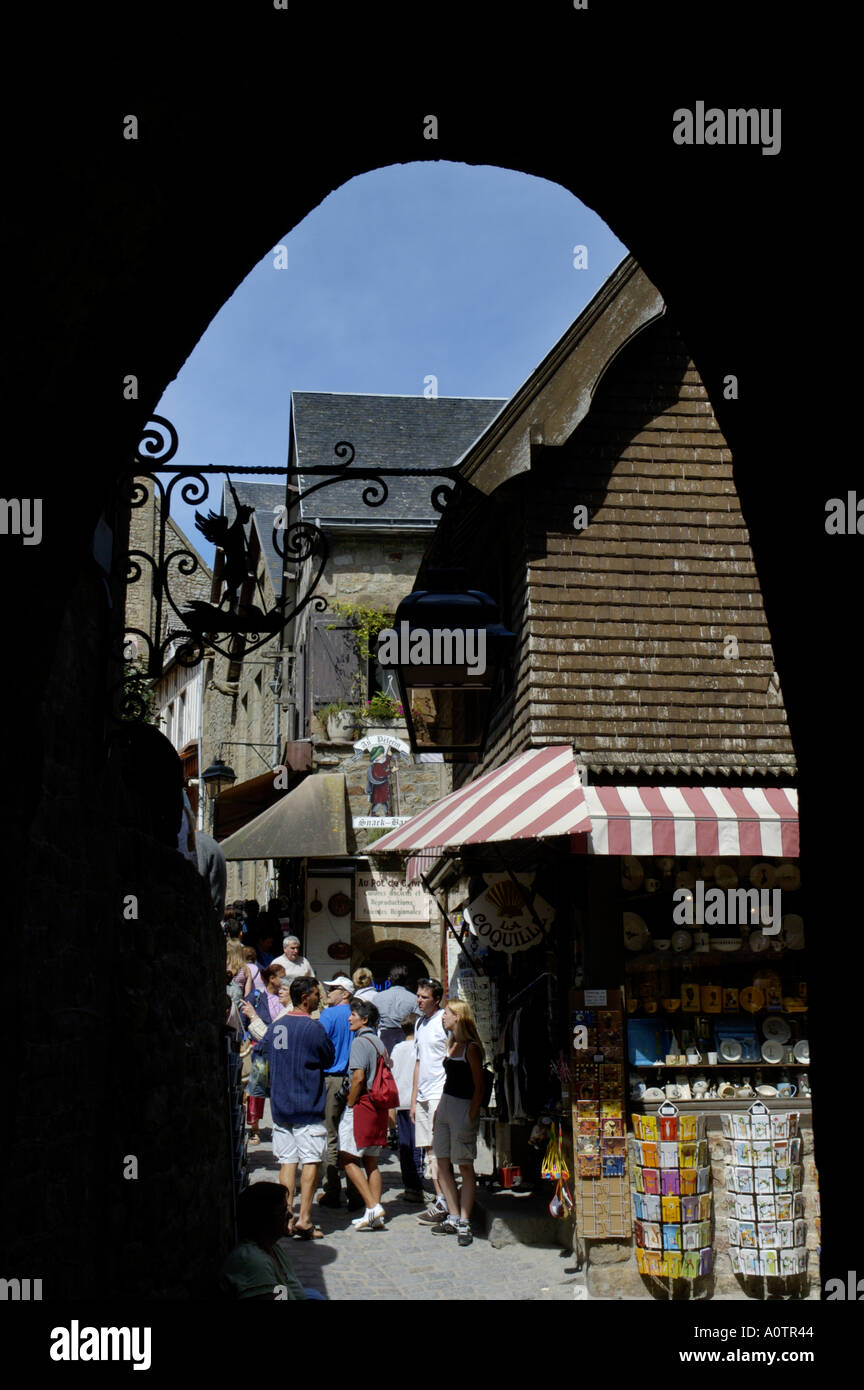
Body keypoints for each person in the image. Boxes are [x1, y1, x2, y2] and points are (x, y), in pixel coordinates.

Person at [257, 976, 334, 1240]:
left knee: (287, 1162)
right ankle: (304, 1219)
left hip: (281, 1105)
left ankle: (285, 1217)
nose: (318, 998)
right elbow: (328, 1057)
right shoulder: (313, 1028)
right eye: (316, 994)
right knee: (310, 1160)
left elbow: (263, 1051)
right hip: (306, 1105)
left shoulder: (278, 1026)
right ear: (305, 998)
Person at [429, 998, 485, 1246]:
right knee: (441, 1161)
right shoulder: (452, 1045)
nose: (443, 1017)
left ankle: (464, 1219)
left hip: (462, 1106)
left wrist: (471, 1113)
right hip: (447, 1104)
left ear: (458, 1017)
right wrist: (440, 1108)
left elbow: (478, 1085)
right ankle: (453, 1214)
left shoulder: (470, 1048)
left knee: (464, 1164)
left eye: (448, 1013)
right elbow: (448, 1081)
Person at [218, 1182, 325, 1299]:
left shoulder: (273, 1248)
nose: (290, 1216)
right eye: (283, 1211)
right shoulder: (254, 1262)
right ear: (265, 1219)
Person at [338, 997, 392, 1231]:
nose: (349, 1018)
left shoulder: (360, 1043)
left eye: (353, 1015)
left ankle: (372, 1206)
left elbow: (358, 1077)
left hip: (363, 1105)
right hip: (379, 1107)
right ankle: (375, 1213)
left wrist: (350, 1104)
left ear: (364, 1019)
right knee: (372, 1162)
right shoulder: (379, 1042)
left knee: (348, 1158)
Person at [317, 974, 362, 1211]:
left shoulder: (328, 1015)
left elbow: (318, 1042)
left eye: (333, 989)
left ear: (344, 993)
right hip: (354, 1078)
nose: (329, 992)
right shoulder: (358, 1016)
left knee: (331, 1134)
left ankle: (332, 1190)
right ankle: (356, 1193)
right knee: (351, 1136)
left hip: (333, 1078)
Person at [411, 977, 450, 1225]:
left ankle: (446, 1201)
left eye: (424, 997)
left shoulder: (444, 1020)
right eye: (418, 995)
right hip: (424, 1095)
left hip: (439, 1093)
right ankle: (440, 1199)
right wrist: (414, 1099)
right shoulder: (419, 1024)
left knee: (439, 1151)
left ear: (436, 1000)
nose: (419, 1000)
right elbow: (418, 1062)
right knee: (428, 1150)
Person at [390, 1013, 425, 1202]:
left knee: (405, 1145)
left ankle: (409, 1184)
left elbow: (393, 1072)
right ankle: (417, 1183)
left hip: (400, 1101)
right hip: (416, 1101)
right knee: (417, 1144)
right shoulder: (419, 1048)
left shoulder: (397, 1048)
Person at [375, 964, 420, 1053]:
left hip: (384, 1038)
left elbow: (374, 1021)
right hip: (406, 1037)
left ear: (389, 979)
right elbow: (417, 1021)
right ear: (406, 980)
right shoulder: (414, 999)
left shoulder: (378, 997)